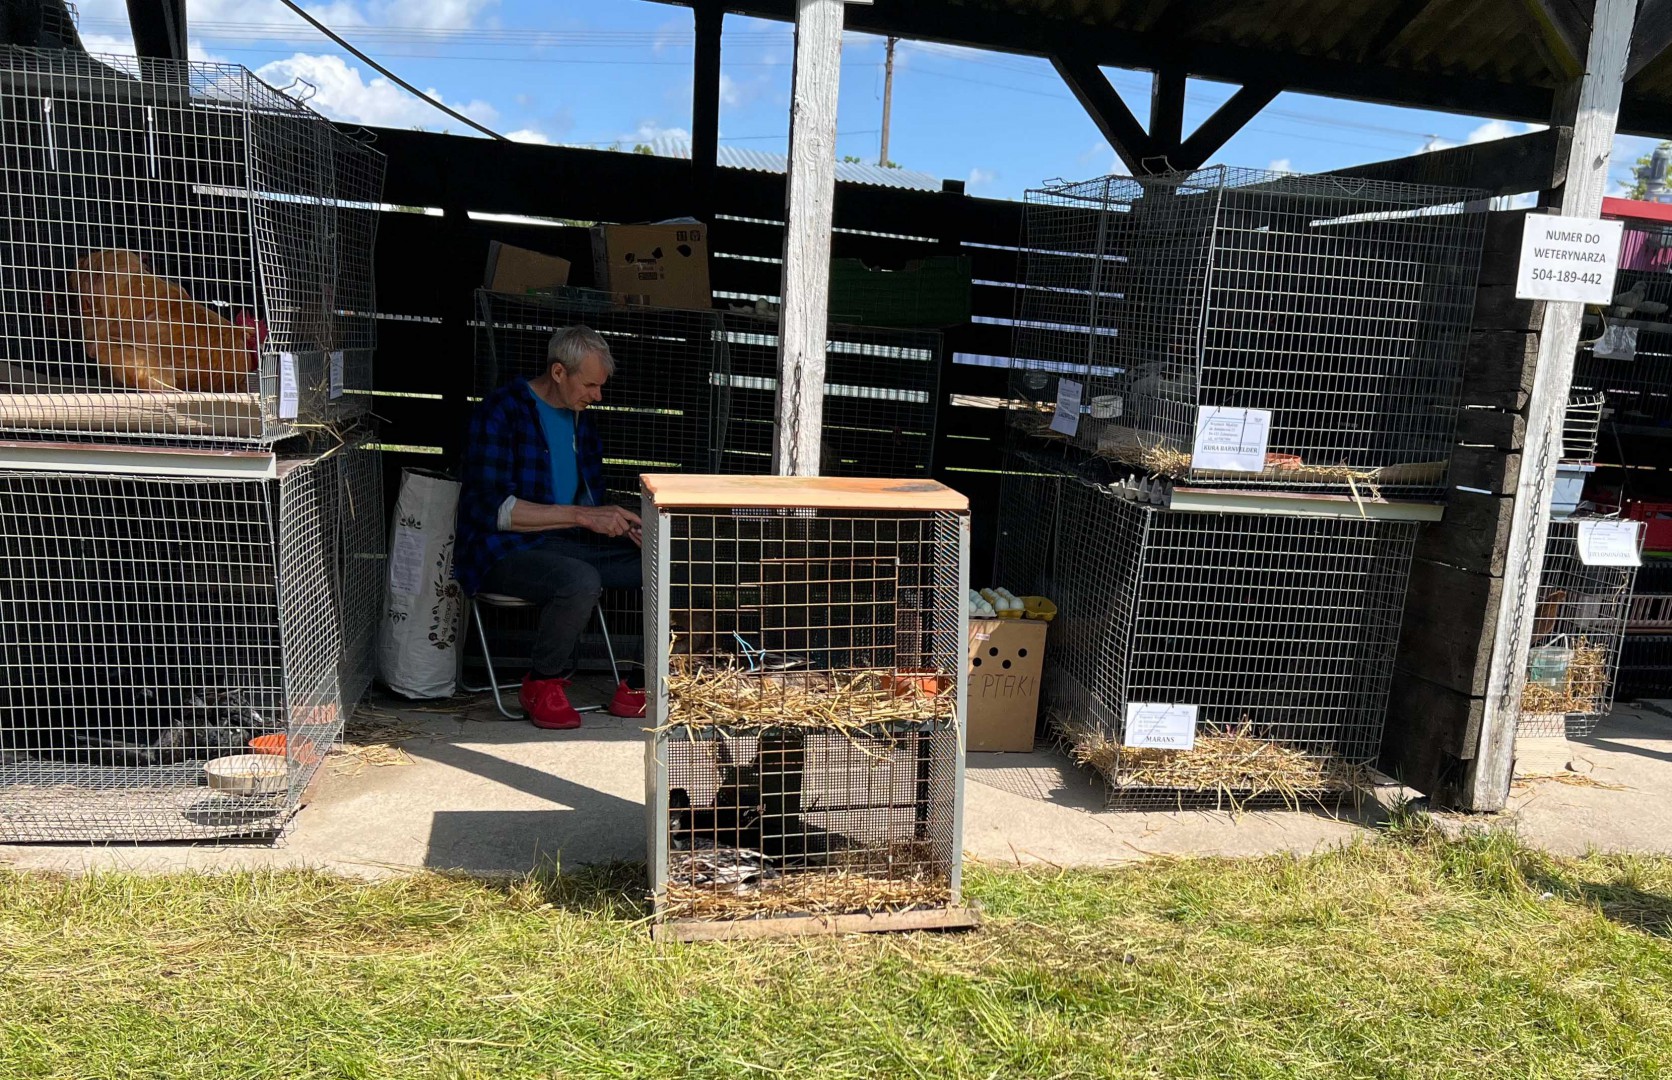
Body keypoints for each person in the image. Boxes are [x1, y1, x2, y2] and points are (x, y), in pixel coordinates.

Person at [455, 325, 645, 730]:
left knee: (661, 562)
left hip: (567, 541)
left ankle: (640, 684)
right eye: (590, 385)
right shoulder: (502, 410)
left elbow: (586, 502)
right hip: (502, 549)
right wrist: (582, 517)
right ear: (559, 372)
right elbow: (491, 510)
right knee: (579, 579)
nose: (598, 395)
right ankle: (540, 684)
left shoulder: (580, 418)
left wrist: (619, 522)